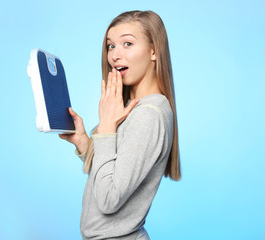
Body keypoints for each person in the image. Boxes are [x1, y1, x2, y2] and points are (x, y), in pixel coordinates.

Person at [59, 10, 181, 240]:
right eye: (111, 46)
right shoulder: (136, 108)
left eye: (127, 43)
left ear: (154, 50)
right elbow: (116, 172)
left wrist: (106, 127)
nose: (115, 55)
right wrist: (85, 144)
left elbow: (109, 199)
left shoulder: (149, 115)